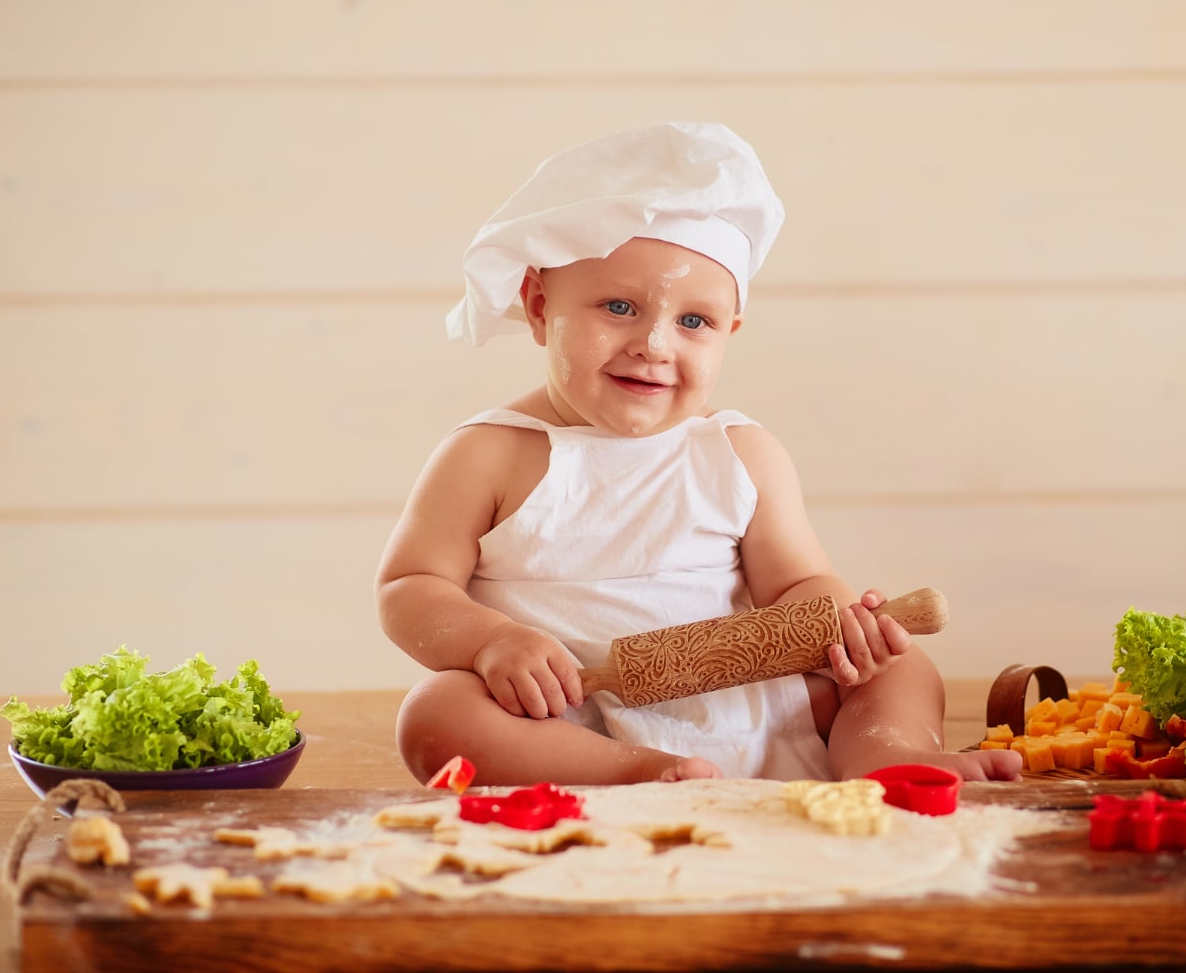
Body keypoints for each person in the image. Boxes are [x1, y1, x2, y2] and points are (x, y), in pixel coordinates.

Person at [377, 122, 1022, 787]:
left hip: (747, 704)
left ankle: (888, 758)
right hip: (565, 720)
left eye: (694, 322)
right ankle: (646, 774)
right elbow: (410, 588)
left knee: (901, 667)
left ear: (729, 331)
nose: (655, 344)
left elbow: (798, 586)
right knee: (435, 713)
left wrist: (843, 623)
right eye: (619, 307)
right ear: (540, 307)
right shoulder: (488, 454)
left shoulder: (739, 453)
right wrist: (491, 643)